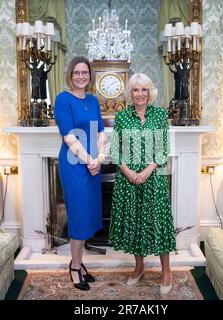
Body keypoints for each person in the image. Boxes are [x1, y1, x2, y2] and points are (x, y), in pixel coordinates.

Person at [109, 73, 176, 296]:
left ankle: (166, 270)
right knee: (136, 223)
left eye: (144, 89)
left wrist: (146, 171)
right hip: (128, 181)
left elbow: (163, 149)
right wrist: (128, 172)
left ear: (150, 92)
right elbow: (115, 151)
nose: (140, 94)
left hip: (153, 178)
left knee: (159, 223)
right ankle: (139, 266)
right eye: (136, 90)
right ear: (130, 93)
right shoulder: (122, 117)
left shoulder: (159, 115)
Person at [53, 56, 106, 291]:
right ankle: (75, 267)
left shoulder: (93, 100)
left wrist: (100, 159)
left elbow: (100, 132)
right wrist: (88, 161)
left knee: (89, 214)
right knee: (78, 215)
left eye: (85, 72)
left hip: (93, 164)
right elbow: (69, 137)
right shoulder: (63, 100)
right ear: (70, 75)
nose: (81, 76)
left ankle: (79, 263)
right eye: (77, 72)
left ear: (90, 76)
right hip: (74, 164)